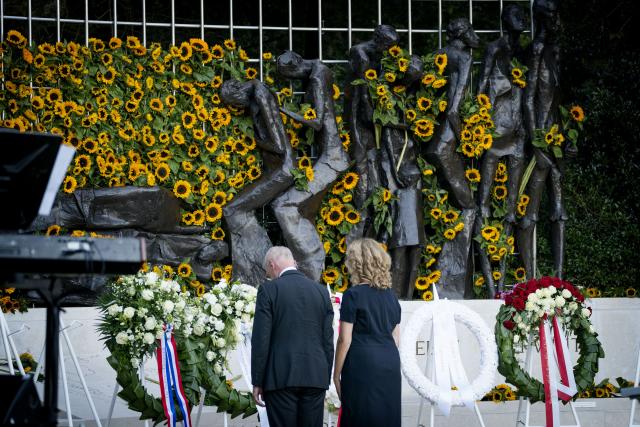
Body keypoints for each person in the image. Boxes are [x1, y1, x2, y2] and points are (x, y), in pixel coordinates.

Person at [272, 50, 350, 282]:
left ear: (296, 65)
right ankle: (310, 269)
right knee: (304, 210)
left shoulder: (315, 79)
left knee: (283, 206)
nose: (294, 81)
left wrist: (283, 111)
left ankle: (310, 265)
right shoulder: (321, 69)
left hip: (331, 160)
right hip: (331, 157)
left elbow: (316, 122)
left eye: (291, 76)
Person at [220, 79, 295, 287]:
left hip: (282, 170)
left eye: (233, 102)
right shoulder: (259, 95)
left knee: (232, 209)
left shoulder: (261, 95)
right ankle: (253, 272)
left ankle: (256, 272)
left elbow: (279, 147)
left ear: (237, 91)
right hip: (278, 170)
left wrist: (257, 141)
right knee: (233, 209)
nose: (237, 107)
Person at [251, 246, 335, 427]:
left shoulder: (268, 290)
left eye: (268, 272)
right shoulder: (321, 292)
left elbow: (261, 339)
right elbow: (328, 340)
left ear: (272, 265)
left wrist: (257, 380)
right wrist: (324, 377)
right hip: (315, 376)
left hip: (280, 377)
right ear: (293, 262)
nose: (269, 276)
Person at [333, 238, 401, 427]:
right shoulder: (391, 296)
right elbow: (396, 338)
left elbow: (344, 340)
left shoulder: (353, 295)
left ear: (355, 263)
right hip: (390, 361)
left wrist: (336, 373)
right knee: (387, 416)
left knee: (360, 415)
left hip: (362, 363)